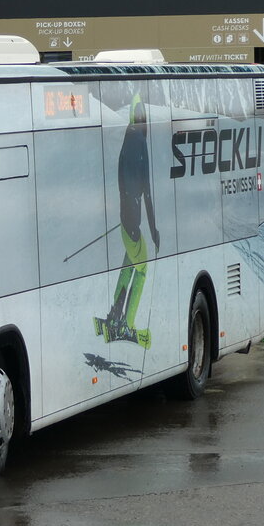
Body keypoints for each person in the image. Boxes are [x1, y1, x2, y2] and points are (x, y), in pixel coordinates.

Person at [97, 94, 160, 349]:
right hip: (132, 221)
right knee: (142, 268)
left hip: (127, 218)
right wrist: (153, 228)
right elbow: (145, 190)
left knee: (130, 262)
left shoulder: (127, 138)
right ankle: (127, 323)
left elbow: (124, 183)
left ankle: (115, 314)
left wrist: (127, 208)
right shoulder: (139, 142)